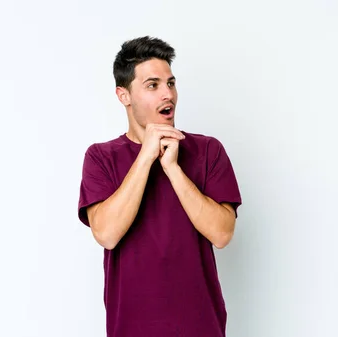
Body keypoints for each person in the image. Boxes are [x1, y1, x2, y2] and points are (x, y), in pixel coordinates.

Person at [77, 36, 242, 337]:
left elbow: (222, 233)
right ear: (123, 95)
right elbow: (107, 234)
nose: (168, 94)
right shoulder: (100, 157)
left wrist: (172, 169)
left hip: (201, 328)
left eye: (171, 83)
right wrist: (146, 157)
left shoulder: (208, 151)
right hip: (131, 329)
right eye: (152, 85)